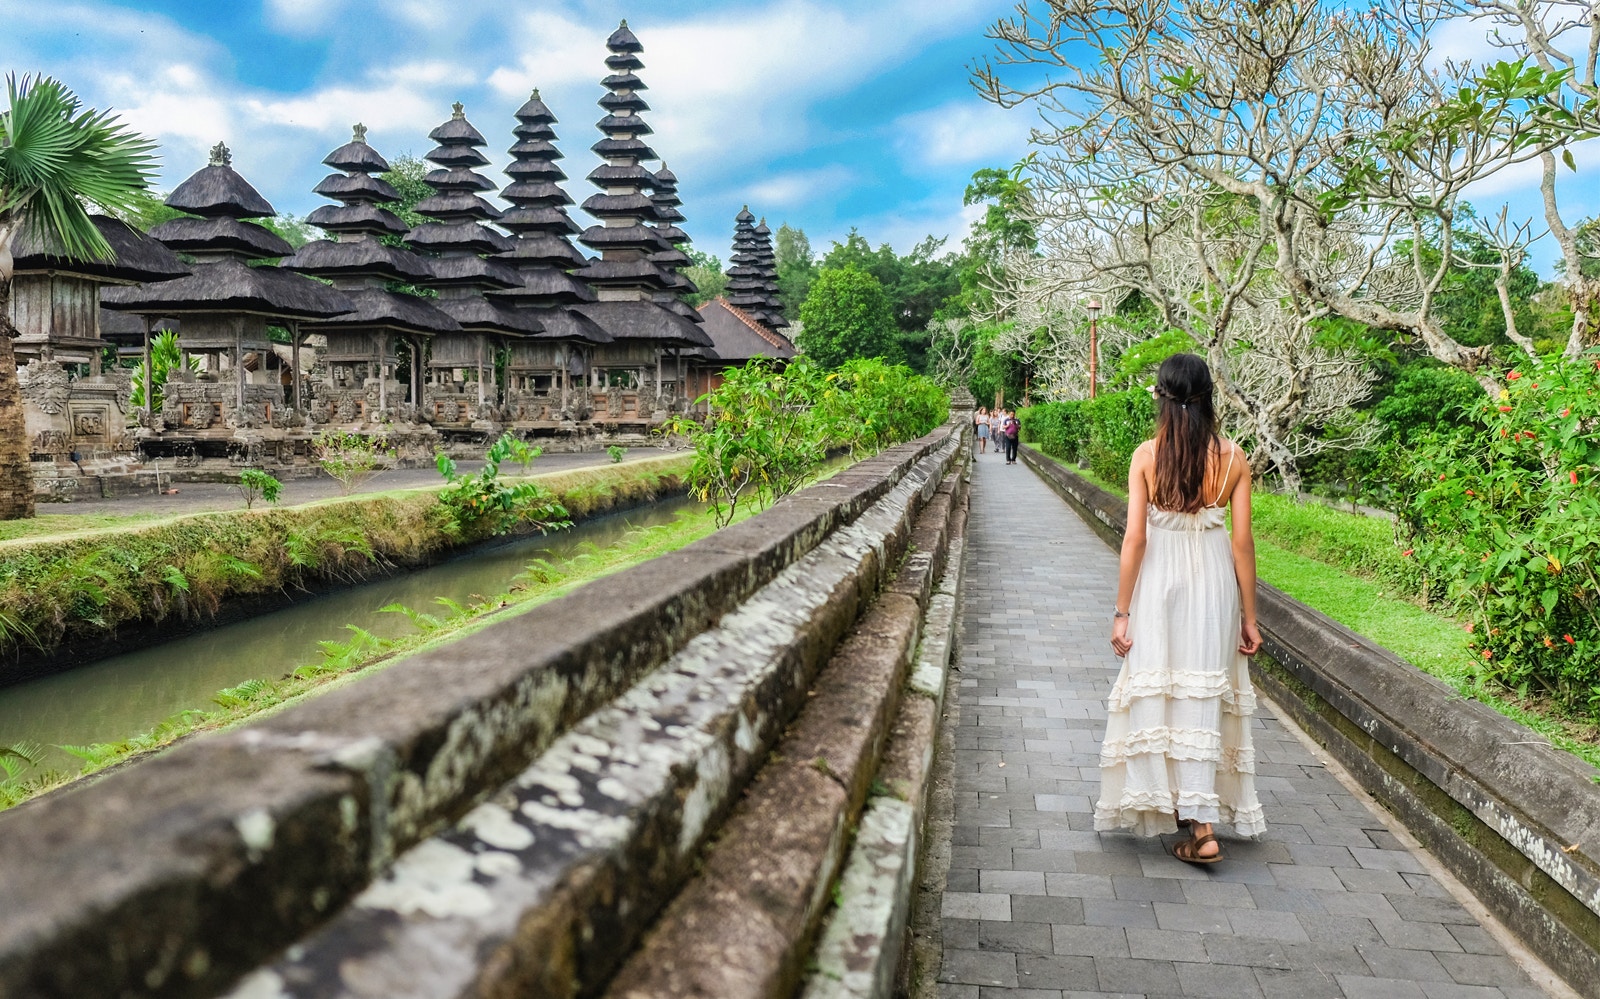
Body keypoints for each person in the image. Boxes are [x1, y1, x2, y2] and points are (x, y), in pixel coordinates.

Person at [1095, 353, 1266, 865]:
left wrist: (1122, 610)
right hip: (1214, 588)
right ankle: (1200, 822)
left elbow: (1134, 539)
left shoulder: (1147, 456)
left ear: (1162, 399)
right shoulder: (1235, 459)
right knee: (1202, 694)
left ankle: (1195, 822)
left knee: (1160, 689)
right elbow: (1242, 544)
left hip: (1160, 586)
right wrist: (1250, 618)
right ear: (1209, 397)